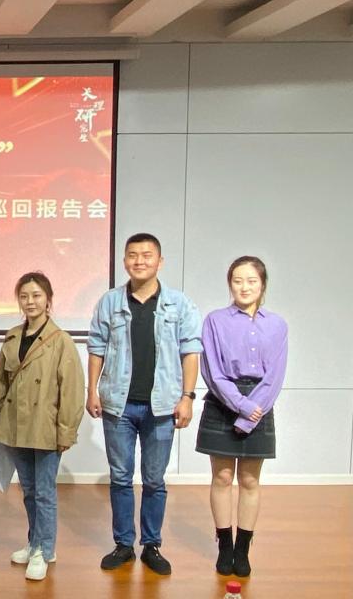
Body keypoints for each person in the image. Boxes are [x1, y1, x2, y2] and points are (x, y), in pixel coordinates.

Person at [86, 233, 202, 576]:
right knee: (121, 478)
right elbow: (96, 347)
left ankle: (151, 545)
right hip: (118, 405)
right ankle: (124, 544)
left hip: (162, 406)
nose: (139, 261)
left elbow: (190, 351)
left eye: (147, 255)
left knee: (154, 479)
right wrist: (92, 390)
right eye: (133, 255)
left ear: (160, 261)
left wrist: (187, 397)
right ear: (124, 261)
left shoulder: (179, 304)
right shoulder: (110, 301)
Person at [0, 272, 84, 581]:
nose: (30, 302)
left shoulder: (61, 340)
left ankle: (44, 549)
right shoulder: (13, 336)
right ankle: (35, 542)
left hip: (45, 428)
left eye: (36, 295)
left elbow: (72, 390)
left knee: (44, 492)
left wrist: (66, 431)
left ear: (48, 299)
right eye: (24, 296)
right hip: (15, 426)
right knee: (28, 490)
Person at [196, 256, 287, 578]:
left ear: (263, 284)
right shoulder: (214, 320)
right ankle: (224, 545)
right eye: (237, 280)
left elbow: (274, 376)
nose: (244, 287)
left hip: (261, 402)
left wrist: (251, 411)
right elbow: (213, 371)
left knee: (249, 480)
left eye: (251, 281)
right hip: (224, 401)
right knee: (222, 478)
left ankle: (243, 549)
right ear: (229, 284)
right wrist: (240, 405)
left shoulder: (277, 324)